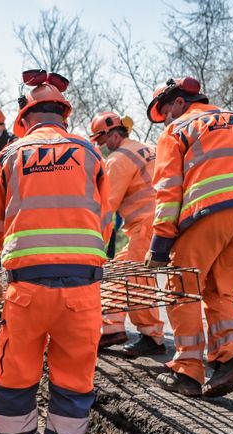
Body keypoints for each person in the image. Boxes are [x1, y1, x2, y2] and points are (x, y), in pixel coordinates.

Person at [0, 71, 112, 434]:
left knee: (15, 379)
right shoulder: (90, 154)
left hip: (26, 290)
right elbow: (104, 223)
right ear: (64, 115)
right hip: (82, 291)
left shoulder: (10, 156)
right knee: (74, 385)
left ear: (25, 117)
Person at [145, 77, 233, 398]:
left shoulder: (176, 130)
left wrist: (160, 244)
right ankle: (232, 356)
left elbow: (168, 191)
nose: (165, 119)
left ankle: (187, 371)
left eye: (166, 111)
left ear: (180, 102)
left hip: (205, 212)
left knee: (183, 287)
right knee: (219, 289)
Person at [88, 112, 165, 357]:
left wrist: (95, 246)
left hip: (147, 224)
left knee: (136, 275)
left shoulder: (118, 159)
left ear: (112, 135)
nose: (103, 147)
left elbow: (106, 208)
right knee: (120, 268)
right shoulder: (149, 148)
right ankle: (112, 328)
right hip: (167, 219)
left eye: (102, 141)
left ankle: (152, 337)